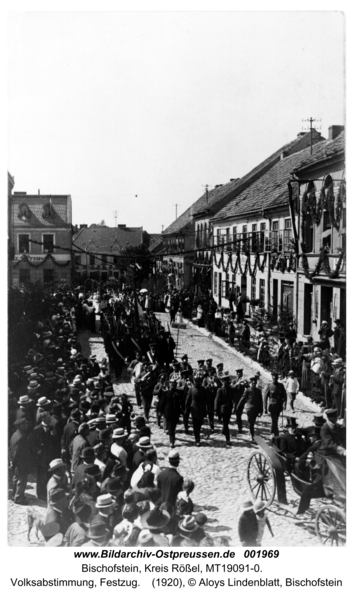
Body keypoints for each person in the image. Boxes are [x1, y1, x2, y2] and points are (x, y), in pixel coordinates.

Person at [10, 417, 31, 505]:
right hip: (21, 462)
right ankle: (19, 498)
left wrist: (12, 462)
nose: (26, 425)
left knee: (16, 479)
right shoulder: (21, 437)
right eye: (24, 424)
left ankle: (14, 495)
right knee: (22, 480)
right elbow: (17, 452)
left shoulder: (15, 434)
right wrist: (16, 462)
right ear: (19, 426)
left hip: (16, 463)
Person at [237, 376, 263, 442]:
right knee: (251, 423)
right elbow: (242, 398)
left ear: (256, 383)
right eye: (252, 383)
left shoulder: (258, 391)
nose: (253, 384)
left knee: (252, 422)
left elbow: (260, 401)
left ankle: (251, 431)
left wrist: (261, 410)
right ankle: (252, 436)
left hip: (256, 409)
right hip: (249, 408)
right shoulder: (247, 390)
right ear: (250, 383)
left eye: (255, 383)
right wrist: (237, 407)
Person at [159, 380, 182, 448]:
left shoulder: (178, 392)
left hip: (176, 413)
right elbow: (162, 402)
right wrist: (160, 411)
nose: (173, 386)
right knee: (171, 427)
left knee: (173, 427)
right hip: (168, 413)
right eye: (172, 384)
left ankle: (172, 437)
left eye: (174, 385)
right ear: (169, 385)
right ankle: (172, 441)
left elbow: (182, 401)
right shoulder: (166, 393)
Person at [185, 376, 207, 446]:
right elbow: (188, 400)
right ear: (194, 382)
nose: (197, 383)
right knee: (195, 425)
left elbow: (206, 399)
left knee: (200, 423)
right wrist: (186, 409)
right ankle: (197, 439)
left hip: (202, 409)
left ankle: (198, 433)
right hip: (194, 409)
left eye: (198, 381)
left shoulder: (203, 389)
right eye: (196, 381)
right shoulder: (191, 390)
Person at [263, 372, 286, 437]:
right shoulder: (269, 386)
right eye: (273, 378)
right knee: (274, 419)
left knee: (275, 419)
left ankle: (272, 429)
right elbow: (265, 397)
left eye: (276, 378)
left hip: (279, 406)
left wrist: (284, 403)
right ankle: (276, 432)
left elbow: (284, 395)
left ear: (277, 378)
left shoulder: (281, 386)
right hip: (272, 406)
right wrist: (265, 408)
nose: (274, 379)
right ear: (272, 378)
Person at [214, 373, 234, 445]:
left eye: (227, 380)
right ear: (222, 382)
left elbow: (233, 398)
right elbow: (216, 399)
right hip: (223, 409)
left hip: (229, 408)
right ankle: (227, 439)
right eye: (224, 381)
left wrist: (234, 407)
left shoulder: (230, 389)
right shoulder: (220, 390)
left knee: (226, 422)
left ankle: (223, 431)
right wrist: (216, 409)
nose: (225, 382)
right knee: (226, 424)